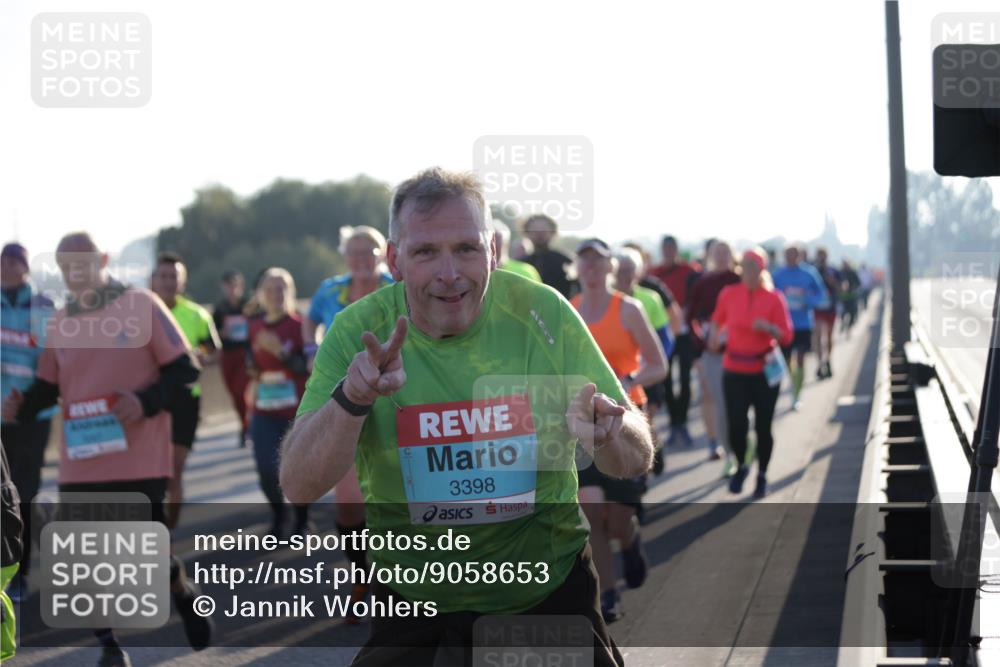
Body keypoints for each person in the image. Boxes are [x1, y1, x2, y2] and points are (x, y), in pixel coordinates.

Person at [281, 168, 653, 667]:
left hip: (544, 595)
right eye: (425, 252)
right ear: (394, 260)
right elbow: (297, 486)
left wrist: (612, 431)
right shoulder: (358, 331)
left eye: (466, 249)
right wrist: (353, 398)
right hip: (414, 602)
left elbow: (636, 455)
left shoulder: (542, 312)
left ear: (493, 252)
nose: (450, 273)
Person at [2, 232, 211, 667]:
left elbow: (185, 370)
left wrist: (144, 401)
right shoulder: (59, 322)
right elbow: (48, 386)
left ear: (103, 260)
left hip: (140, 455)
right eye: (66, 268)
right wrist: (23, 405)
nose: (75, 275)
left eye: (83, 264)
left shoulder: (142, 305)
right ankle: (110, 646)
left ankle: (180, 590)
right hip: (81, 458)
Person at [302, 226, 394, 617]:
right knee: (349, 503)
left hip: (395, 396)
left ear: (382, 253)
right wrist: (310, 349)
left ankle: (396, 582)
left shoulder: (396, 285)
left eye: (368, 250)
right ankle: (360, 575)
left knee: (394, 494)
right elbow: (309, 321)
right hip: (344, 397)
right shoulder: (329, 291)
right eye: (353, 252)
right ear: (345, 256)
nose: (361, 258)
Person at [574, 239, 666, 622]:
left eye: (599, 261)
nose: (592, 268)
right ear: (578, 268)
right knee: (591, 509)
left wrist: (626, 380)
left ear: (610, 266)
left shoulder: (627, 309)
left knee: (617, 517)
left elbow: (658, 364)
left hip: (627, 417)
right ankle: (607, 594)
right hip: (583, 421)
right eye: (586, 262)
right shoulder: (569, 309)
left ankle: (630, 541)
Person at [708, 248, 793, 499]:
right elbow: (717, 319)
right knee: (736, 425)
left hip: (764, 370)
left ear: (762, 269)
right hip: (734, 369)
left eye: (754, 267)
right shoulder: (729, 294)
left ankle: (763, 475)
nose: (748, 272)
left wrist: (768, 328)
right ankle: (742, 465)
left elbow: (787, 336)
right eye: (744, 266)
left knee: (764, 426)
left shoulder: (774, 298)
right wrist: (714, 335)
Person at [150, 252, 221, 529]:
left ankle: (168, 534)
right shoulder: (136, 313)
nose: (168, 282)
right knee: (152, 473)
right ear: (152, 280)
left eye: (173, 277)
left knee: (173, 471)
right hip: (150, 400)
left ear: (182, 282)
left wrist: (202, 355)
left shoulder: (197, 315)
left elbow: (213, 350)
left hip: (185, 400)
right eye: (163, 276)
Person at [0, 243, 55, 600]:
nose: (5, 268)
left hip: (34, 413)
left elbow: (52, 360)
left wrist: (25, 401)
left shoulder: (44, 306)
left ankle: (21, 570)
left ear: (25, 267)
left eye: (13, 262)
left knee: (26, 492)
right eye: (1, 262)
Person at [248, 268, 311, 539]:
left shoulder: (300, 326)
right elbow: (250, 362)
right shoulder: (254, 326)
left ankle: (301, 521)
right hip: (263, 409)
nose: (276, 295)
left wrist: (281, 352)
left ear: (290, 292)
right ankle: (279, 515)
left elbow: (308, 368)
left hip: (295, 410)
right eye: (270, 290)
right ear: (262, 294)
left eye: (281, 289)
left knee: (298, 469)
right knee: (265, 468)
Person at [613, 247, 673, 475]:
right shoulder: (606, 300)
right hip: (619, 374)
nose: (625, 275)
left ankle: (650, 455)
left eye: (630, 270)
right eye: (621, 270)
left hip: (647, 372)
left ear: (638, 273)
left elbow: (666, 338)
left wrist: (656, 363)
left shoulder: (649, 299)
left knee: (646, 418)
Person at [686, 240, 741, 465]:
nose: (721, 256)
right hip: (711, 352)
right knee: (714, 398)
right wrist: (702, 342)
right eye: (717, 252)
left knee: (737, 402)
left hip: (740, 351)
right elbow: (689, 318)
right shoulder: (702, 282)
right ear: (709, 255)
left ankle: (741, 441)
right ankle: (723, 448)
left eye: (726, 252)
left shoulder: (738, 280)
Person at [649, 235, 696, 447]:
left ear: (676, 249)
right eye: (665, 248)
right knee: (666, 382)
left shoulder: (689, 271)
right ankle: (674, 423)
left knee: (685, 380)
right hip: (662, 335)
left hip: (684, 333)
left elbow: (695, 297)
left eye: (671, 248)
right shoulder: (655, 274)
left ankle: (682, 423)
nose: (668, 251)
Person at [771, 245, 825, 411]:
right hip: (784, 326)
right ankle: (793, 385)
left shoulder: (809, 273)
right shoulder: (777, 274)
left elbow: (821, 294)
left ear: (799, 256)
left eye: (794, 254)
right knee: (787, 361)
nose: (791, 257)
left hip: (803, 323)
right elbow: (769, 294)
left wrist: (807, 301)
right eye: (787, 255)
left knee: (801, 358)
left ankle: (796, 395)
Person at [213, 269, 251, 447]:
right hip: (227, 355)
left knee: (241, 390)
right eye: (229, 285)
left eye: (235, 284)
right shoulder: (219, 309)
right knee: (234, 394)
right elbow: (212, 335)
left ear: (241, 286)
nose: (232, 288)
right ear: (223, 287)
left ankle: (247, 428)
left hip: (245, 354)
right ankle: (243, 424)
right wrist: (222, 333)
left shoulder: (249, 306)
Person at [522, 213, 574, 298]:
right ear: (527, 233)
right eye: (535, 230)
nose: (539, 234)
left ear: (553, 232)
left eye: (543, 230)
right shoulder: (521, 264)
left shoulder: (566, 261)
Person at [812, 248, 841, 379]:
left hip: (830, 307)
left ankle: (828, 360)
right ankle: (819, 363)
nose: (821, 259)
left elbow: (842, 287)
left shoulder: (833, 270)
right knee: (818, 335)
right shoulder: (812, 271)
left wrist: (832, 282)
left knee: (828, 336)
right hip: (817, 309)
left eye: (823, 256)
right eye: (819, 256)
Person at [839, 260, 861, 337]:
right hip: (843, 298)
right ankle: (843, 324)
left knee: (852, 314)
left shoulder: (852, 273)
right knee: (842, 313)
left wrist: (853, 288)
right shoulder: (840, 273)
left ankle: (849, 329)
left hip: (852, 297)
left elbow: (858, 283)